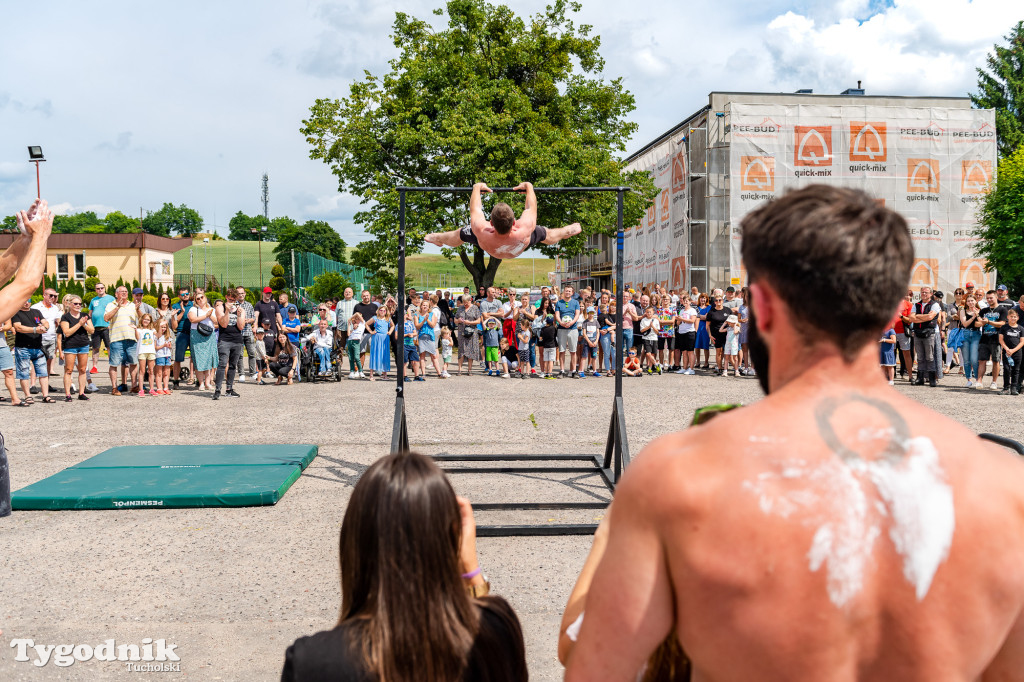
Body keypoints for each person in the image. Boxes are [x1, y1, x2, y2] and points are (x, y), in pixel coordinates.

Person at [560, 185, 1024, 681]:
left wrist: (618, 523)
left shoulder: (681, 477)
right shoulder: (1006, 488)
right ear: (892, 315)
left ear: (760, 307)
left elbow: (592, 668)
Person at [280, 451, 527, 682]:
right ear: (449, 542)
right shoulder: (494, 636)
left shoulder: (310, 663)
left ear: (353, 543)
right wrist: (471, 573)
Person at [425, 181, 581, 259]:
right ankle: (568, 230)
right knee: (548, 234)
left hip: (491, 246)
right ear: (514, 223)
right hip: (518, 245)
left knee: (459, 235)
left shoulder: (481, 230)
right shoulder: (525, 228)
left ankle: (437, 237)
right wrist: (529, 187)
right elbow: (530, 208)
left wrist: (476, 188)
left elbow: (476, 209)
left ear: (491, 223)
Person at [12, 299, 53, 403]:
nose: (26, 303)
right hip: (23, 347)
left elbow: (46, 322)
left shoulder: (36, 311)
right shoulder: (16, 312)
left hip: (38, 347)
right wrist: (35, 329)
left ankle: (46, 396)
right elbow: (18, 327)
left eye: (29, 300)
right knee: (24, 373)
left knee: (43, 373)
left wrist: (44, 327)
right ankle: (28, 396)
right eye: (24, 301)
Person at [103, 286, 139, 395]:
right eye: (121, 292)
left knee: (133, 363)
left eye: (126, 292)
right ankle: (114, 388)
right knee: (114, 363)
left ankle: (134, 386)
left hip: (131, 338)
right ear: (116, 294)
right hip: (116, 338)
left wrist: (138, 310)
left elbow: (142, 319)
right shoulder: (111, 305)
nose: (124, 293)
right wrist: (117, 307)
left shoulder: (132, 305)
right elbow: (106, 318)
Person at [58, 295, 93, 402]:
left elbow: (92, 330)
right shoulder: (65, 317)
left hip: (83, 345)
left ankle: (81, 393)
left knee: (82, 370)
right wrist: (80, 323)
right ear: (69, 304)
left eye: (79, 304)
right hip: (70, 346)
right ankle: (68, 394)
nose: (78, 305)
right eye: (75, 303)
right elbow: (67, 333)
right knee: (68, 370)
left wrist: (84, 325)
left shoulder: (85, 315)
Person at [187, 292, 218, 391]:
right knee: (198, 359)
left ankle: (208, 383)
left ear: (205, 298)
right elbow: (192, 319)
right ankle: (201, 383)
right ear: (195, 301)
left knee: (208, 359)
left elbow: (217, 322)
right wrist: (205, 316)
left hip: (209, 335)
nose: (200, 299)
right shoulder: (193, 309)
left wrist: (209, 315)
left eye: (202, 297)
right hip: (196, 335)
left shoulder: (211, 309)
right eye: (198, 298)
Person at [32, 287, 63, 386]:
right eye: (51, 295)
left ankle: (46, 384)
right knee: (36, 361)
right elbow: (33, 322)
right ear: (44, 295)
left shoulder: (55, 308)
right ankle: (33, 385)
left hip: (52, 338)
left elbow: (58, 322)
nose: (53, 298)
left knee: (49, 361)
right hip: (39, 338)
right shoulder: (36, 307)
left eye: (55, 296)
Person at [979, 290, 1008, 390]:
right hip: (984, 338)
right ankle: (979, 381)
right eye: (987, 298)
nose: (989, 300)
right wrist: (979, 321)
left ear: (996, 297)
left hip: (996, 339)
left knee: (996, 361)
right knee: (982, 360)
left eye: (991, 297)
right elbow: (979, 323)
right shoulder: (983, 311)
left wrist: (989, 322)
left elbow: (1003, 323)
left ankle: (994, 382)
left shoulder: (1002, 310)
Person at [87, 283, 114, 384]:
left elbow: (115, 311)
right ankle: (94, 366)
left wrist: (110, 324)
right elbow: (90, 313)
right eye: (98, 288)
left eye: (102, 288)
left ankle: (112, 365)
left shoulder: (111, 298)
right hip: (95, 327)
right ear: (95, 290)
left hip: (107, 327)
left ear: (105, 288)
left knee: (109, 347)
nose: (100, 290)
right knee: (95, 347)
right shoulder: (93, 300)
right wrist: (89, 324)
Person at [555, 285, 582, 378]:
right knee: (562, 351)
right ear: (563, 292)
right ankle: (562, 370)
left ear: (572, 293)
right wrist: (561, 323)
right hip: (562, 329)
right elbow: (557, 315)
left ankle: (573, 371)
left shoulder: (575, 303)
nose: (568, 292)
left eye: (569, 291)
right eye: (566, 291)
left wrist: (572, 322)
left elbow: (577, 314)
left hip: (573, 329)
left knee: (573, 351)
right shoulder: (559, 303)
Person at [701, 293, 730, 376]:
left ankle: (726, 368)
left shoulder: (728, 310)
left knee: (727, 352)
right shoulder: (711, 312)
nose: (718, 302)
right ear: (715, 302)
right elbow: (707, 326)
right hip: (716, 334)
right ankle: (720, 368)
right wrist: (710, 335)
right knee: (719, 352)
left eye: (720, 300)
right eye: (716, 300)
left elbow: (733, 321)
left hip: (727, 334)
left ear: (722, 301)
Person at [171, 287, 194, 389]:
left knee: (196, 357)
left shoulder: (194, 305)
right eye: (183, 294)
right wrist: (182, 312)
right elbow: (174, 324)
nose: (185, 296)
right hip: (182, 334)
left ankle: (197, 380)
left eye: (187, 294)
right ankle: (176, 381)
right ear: (179, 296)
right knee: (178, 359)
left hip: (194, 333)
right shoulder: (175, 306)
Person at [233, 286, 257, 382]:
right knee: (240, 354)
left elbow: (253, 318)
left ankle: (252, 374)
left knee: (252, 353)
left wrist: (248, 320)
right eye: (239, 293)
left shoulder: (249, 305)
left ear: (245, 293)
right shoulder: (234, 305)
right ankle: (241, 374)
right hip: (238, 332)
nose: (241, 295)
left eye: (242, 293)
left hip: (248, 331)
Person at [416, 299, 445, 378]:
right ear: (421, 306)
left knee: (434, 355)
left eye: (426, 305)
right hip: (422, 337)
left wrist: (427, 319)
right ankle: (423, 373)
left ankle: (439, 373)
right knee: (422, 355)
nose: (425, 306)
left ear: (429, 307)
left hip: (430, 337)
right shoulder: (417, 315)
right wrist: (423, 320)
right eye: (423, 305)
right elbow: (417, 326)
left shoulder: (432, 314)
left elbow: (432, 325)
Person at [998, 308, 1023, 396]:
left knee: (1016, 370)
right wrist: (1007, 349)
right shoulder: (1004, 327)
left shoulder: (1021, 328)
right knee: (1007, 369)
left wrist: (1013, 350)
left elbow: (1022, 342)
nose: (1013, 318)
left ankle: (1014, 388)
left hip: (1017, 352)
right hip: (1007, 352)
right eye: (1011, 317)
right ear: (1008, 317)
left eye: (1015, 317)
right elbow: (1001, 340)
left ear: (1018, 317)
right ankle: (1006, 388)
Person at [960, 294, 983, 388]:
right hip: (965, 334)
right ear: (966, 302)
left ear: (975, 301)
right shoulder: (963, 311)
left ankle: (978, 380)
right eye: (968, 301)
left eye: (972, 301)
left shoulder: (980, 311)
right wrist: (973, 317)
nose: (970, 302)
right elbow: (965, 324)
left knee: (974, 359)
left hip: (976, 335)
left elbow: (981, 323)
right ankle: (969, 379)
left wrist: (977, 314)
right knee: (966, 360)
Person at [455, 296, 482, 375]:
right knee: (461, 350)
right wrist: (458, 320)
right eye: (464, 302)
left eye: (466, 302)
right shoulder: (460, 308)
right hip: (461, 332)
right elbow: (455, 319)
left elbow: (478, 320)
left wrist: (470, 322)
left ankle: (469, 370)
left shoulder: (475, 308)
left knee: (471, 350)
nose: (465, 304)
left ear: (470, 300)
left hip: (472, 332)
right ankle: (459, 369)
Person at [352, 290, 378, 372]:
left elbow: (378, 318)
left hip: (372, 332)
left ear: (370, 296)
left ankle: (375, 369)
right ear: (361, 297)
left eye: (367, 295)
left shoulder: (374, 306)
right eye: (364, 296)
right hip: (361, 333)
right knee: (361, 352)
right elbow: (353, 318)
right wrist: (354, 324)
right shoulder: (357, 306)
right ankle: (360, 370)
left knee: (374, 352)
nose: (366, 297)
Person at [367, 305, 393, 381]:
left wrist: (390, 332)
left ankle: (385, 374)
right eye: (381, 310)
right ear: (378, 311)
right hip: (377, 337)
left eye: (384, 311)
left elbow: (392, 326)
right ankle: (371, 375)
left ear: (386, 312)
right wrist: (371, 331)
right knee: (374, 355)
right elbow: (366, 324)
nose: (382, 312)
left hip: (385, 338)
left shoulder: (388, 319)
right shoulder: (375, 318)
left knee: (385, 354)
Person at [673, 296, 697, 375]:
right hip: (681, 332)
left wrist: (682, 319)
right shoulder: (681, 310)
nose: (685, 302)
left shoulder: (692, 310)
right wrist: (678, 319)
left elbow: (692, 320)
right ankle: (685, 367)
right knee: (684, 351)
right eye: (684, 301)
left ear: (690, 302)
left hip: (690, 332)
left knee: (690, 351)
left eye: (687, 301)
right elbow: (678, 323)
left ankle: (691, 368)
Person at [135, 313, 157, 397]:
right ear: (142, 320)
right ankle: (141, 390)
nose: (146, 321)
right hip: (142, 351)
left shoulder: (152, 330)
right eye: (145, 319)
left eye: (148, 320)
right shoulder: (139, 329)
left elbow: (158, 335)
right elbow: (137, 338)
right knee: (142, 371)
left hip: (151, 351)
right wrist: (135, 329)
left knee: (151, 371)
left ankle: (152, 389)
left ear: (150, 321)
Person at [638, 306, 661, 374]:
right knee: (648, 353)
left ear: (653, 312)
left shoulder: (656, 320)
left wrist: (653, 326)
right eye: (647, 312)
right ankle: (656, 364)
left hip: (654, 338)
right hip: (646, 338)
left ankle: (650, 368)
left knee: (653, 354)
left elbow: (657, 332)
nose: (649, 313)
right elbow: (642, 330)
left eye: (650, 312)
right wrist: (649, 327)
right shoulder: (643, 320)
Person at [153, 319, 173, 394]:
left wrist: (169, 346)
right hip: (159, 355)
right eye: (162, 327)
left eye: (165, 327)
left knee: (166, 372)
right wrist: (163, 345)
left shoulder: (167, 336)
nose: (163, 329)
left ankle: (166, 387)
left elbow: (170, 346)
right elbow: (155, 347)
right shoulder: (156, 336)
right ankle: (159, 388)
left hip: (167, 355)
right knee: (159, 373)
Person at [403, 312, 424, 381]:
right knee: (404, 361)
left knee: (416, 360)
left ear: (406, 315)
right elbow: (397, 336)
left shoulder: (410, 323)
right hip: (404, 344)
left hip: (411, 344)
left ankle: (416, 376)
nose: (403, 316)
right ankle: (404, 376)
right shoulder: (399, 325)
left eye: (404, 314)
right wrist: (406, 335)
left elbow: (415, 332)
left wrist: (412, 334)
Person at [720, 312, 741, 377]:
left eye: (730, 322)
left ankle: (736, 371)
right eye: (728, 322)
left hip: (734, 345)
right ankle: (725, 371)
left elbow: (735, 332)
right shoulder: (728, 328)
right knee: (726, 357)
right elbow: (720, 330)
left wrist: (735, 325)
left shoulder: (737, 328)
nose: (729, 323)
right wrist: (724, 324)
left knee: (735, 358)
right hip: (728, 344)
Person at [694, 292, 711, 370]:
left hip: (705, 328)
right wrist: (701, 317)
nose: (703, 299)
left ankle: (706, 362)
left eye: (704, 298)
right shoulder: (696, 307)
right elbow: (694, 318)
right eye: (701, 297)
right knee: (697, 346)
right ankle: (698, 362)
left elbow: (707, 317)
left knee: (705, 346)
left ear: (706, 299)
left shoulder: (709, 307)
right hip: (697, 327)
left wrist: (698, 317)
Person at [346, 313, 365, 379]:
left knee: (357, 357)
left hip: (356, 342)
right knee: (351, 357)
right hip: (350, 341)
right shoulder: (353, 328)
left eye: (358, 318)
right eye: (356, 319)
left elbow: (357, 313)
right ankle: (352, 371)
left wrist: (351, 318)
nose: (357, 320)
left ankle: (360, 371)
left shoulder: (362, 324)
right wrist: (349, 324)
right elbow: (348, 334)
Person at [539, 314, 558, 378]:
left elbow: (541, 338)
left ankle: (546, 373)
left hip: (545, 346)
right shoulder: (554, 328)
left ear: (546, 321)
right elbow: (555, 336)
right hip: (552, 346)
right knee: (551, 360)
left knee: (546, 360)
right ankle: (550, 373)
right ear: (552, 322)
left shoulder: (543, 329)